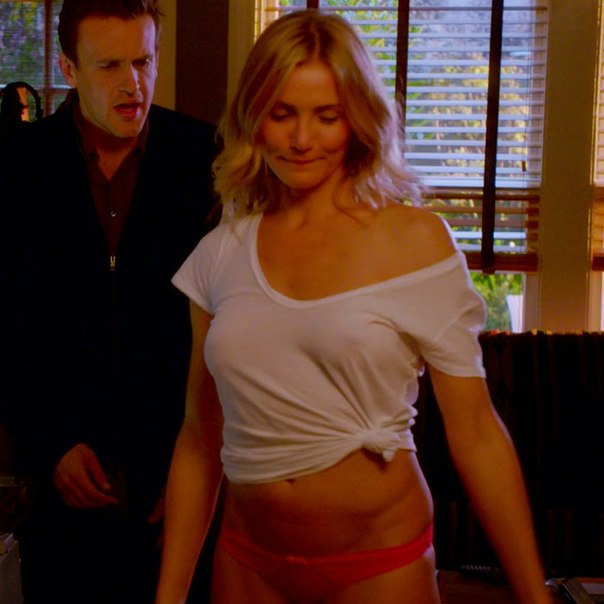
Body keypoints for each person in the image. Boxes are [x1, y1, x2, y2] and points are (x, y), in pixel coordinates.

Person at [155, 9, 553, 604]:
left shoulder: (416, 241)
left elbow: (476, 434)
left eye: (327, 116)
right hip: (247, 562)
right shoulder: (220, 253)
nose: (301, 139)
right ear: (254, 117)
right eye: (282, 113)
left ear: (359, 119)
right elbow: (197, 439)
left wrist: (534, 596)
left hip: (379, 564)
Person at [0, 0, 219, 602]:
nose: (132, 84)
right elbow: (9, 325)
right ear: (68, 68)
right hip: (61, 485)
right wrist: (48, 444)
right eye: (110, 66)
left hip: (179, 472)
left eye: (143, 62)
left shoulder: (206, 158)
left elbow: (231, 323)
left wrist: (197, 467)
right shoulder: (17, 165)